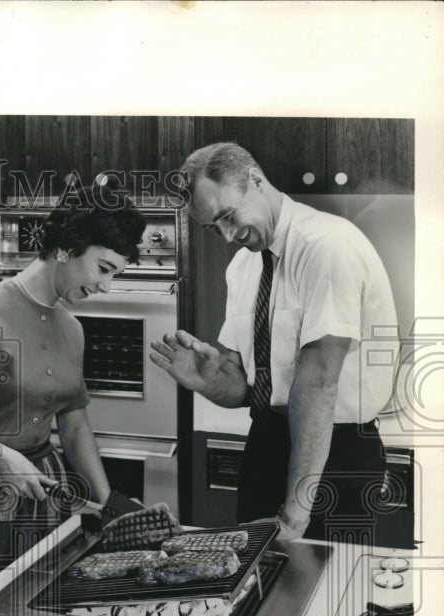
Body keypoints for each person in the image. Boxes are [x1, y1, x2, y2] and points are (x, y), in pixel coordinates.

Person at [150, 142, 398, 542]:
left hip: (337, 453)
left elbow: (319, 382)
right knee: (256, 587)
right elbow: (247, 390)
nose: (228, 235)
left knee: (324, 590)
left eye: (227, 216)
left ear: (256, 181)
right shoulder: (243, 266)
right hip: (266, 443)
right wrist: (208, 379)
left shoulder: (326, 247)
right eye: (213, 227)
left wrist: (296, 514)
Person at [0, 187, 147, 597]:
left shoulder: (73, 328)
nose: (107, 287)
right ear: (65, 248)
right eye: (103, 268)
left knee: (40, 604)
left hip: (47, 492)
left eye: (116, 273)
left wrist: (110, 505)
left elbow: (75, 425)